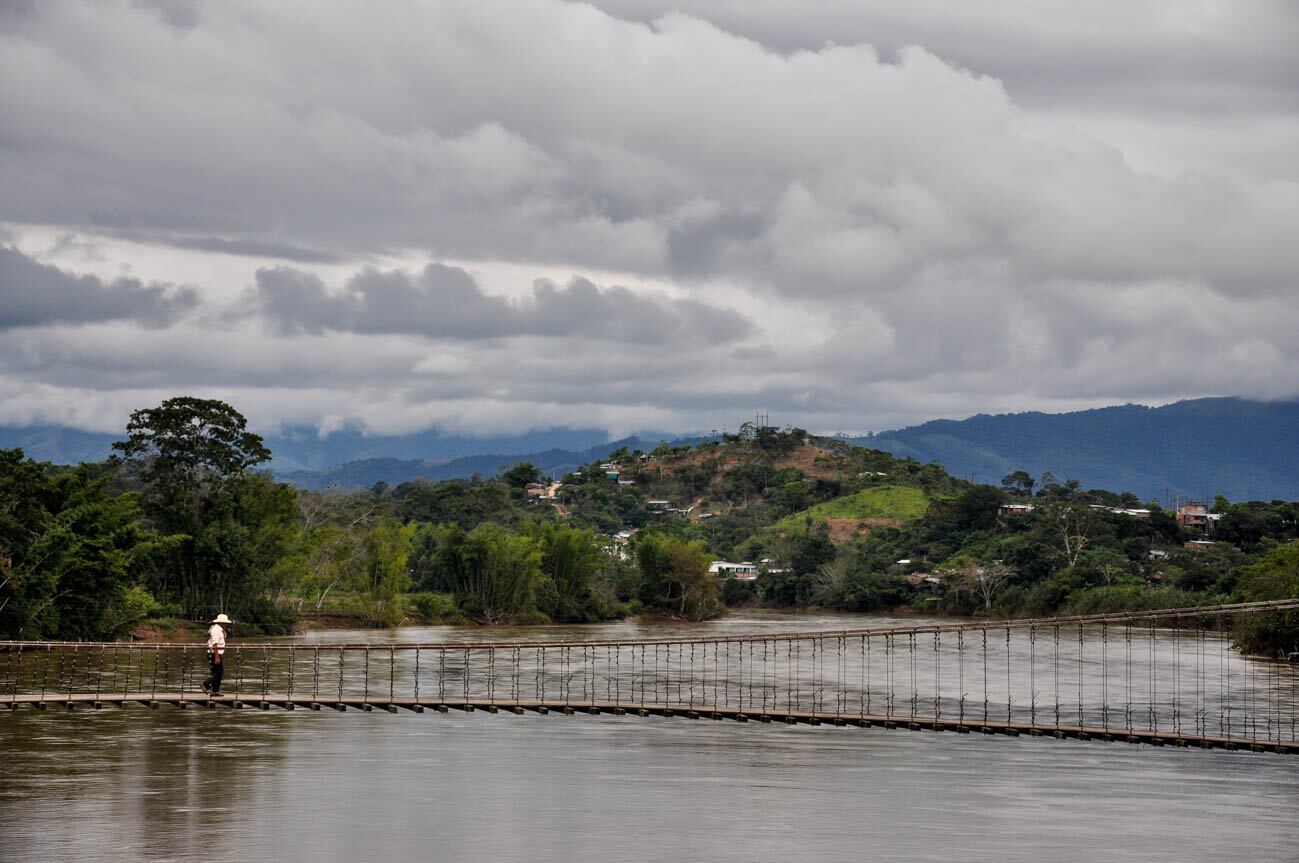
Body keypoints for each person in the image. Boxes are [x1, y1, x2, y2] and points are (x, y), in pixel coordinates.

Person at [202, 613, 232, 696]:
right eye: (225, 623)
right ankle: (206, 684)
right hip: (214, 654)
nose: (226, 625)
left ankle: (215, 690)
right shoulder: (215, 630)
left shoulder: (219, 630)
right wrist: (217, 657)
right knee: (219, 672)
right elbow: (215, 644)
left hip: (216, 653)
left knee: (217, 672)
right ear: (221, 623)